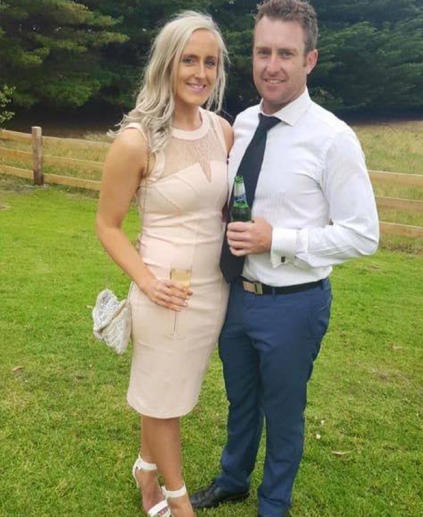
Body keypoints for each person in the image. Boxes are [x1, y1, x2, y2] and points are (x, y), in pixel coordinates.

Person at [188, 1, 379, 516]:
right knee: (241, 401)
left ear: (309, 60)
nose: (272, 65)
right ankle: (232, 479)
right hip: (237, 296)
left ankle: (273, 505)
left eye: (286, 54)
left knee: (284, 412)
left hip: (294, 302)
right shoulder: (243, 124)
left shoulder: (333, 139)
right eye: (262, 51)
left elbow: (364, 235)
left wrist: (281, 239)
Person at [96, 11, 233, 517]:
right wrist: (148, 283)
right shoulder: (136, 140)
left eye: (211, 63)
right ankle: (178, 504)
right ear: (167, 65)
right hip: (161, 291)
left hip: (211, 291)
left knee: (173, 391)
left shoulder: (223, 131)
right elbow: (108, 225)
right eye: (189, 60)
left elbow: (222, 210)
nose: (200, 72)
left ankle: (146, 469)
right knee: (161, 399)